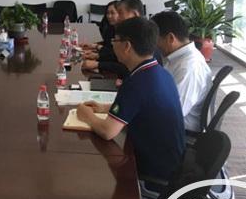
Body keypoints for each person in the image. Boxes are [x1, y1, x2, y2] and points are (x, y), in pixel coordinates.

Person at [76, 17, 185, 181]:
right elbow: (141, 106)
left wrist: (87, 116)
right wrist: (104, 108)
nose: (112, 45)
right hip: (172, 162)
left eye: (115, 40)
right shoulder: (160, 72)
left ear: (126, 46)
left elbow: (107, 131)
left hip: (154, 171)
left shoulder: (136, 82)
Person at [151, 11, 212, 132]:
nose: (153, 45)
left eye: (154, 40)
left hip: (180, 131)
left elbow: (172, 113)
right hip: (167, 120)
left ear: (170, 38)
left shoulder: (189, 68)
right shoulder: (176, 58)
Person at [82, 0, 145, 77]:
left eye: (120, 13)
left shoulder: (142, 36)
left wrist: (99, 63)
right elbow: (116, 55)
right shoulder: (128, 31)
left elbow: (127, 67)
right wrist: (98, 56)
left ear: (135, 14)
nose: (118, 17)